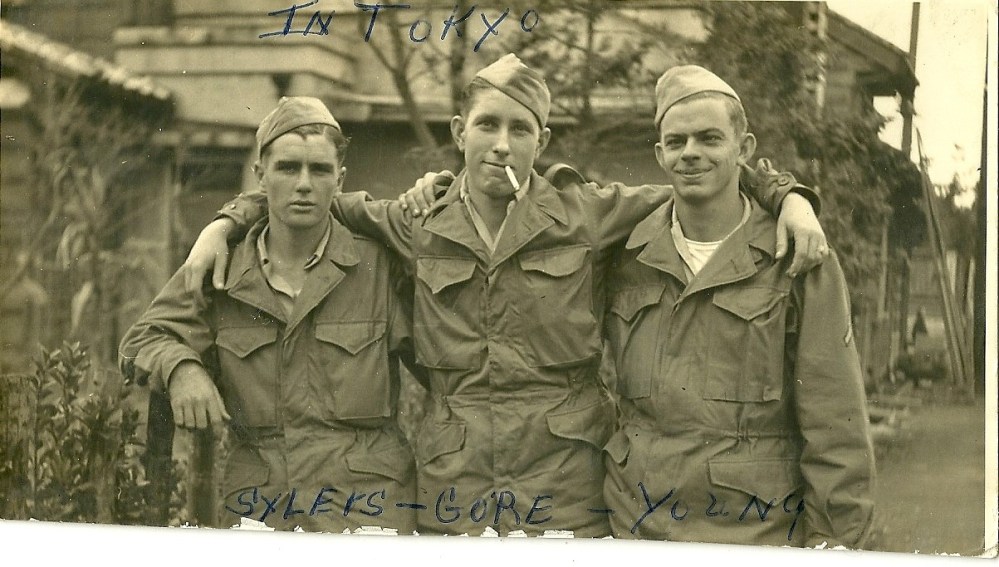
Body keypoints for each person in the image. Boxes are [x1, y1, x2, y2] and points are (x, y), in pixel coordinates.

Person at [182, 54, 828, 537]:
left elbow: (699, 184)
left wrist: (788, 197)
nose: (501, 143)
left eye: (520, 128)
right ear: (460, 129)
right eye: (487, 124)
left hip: (562, 471)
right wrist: (226, 221)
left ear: (541, 140)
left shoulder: (585, 212)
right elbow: (310, 194)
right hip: (453, 469)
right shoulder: (416, 220)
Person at [601, 66, 875, 547]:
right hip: (637, 528)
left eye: (709, 138)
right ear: (660, 154)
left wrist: (835, 543)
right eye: (677, 140)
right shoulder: (625, 252)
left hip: (753, 534)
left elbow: (836, 422)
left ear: (743, 149)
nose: (691, 153)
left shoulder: (797, 257)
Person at [119, 97, 420, 533]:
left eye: (319, 171)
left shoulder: (377, 268)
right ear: (261, 177)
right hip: (260, 509)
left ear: (340, 179)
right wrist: (182, 368)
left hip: (366, 510)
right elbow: (140, 341)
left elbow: (445, 367)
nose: (303, 184)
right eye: (287, 168)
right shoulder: (222, 269)